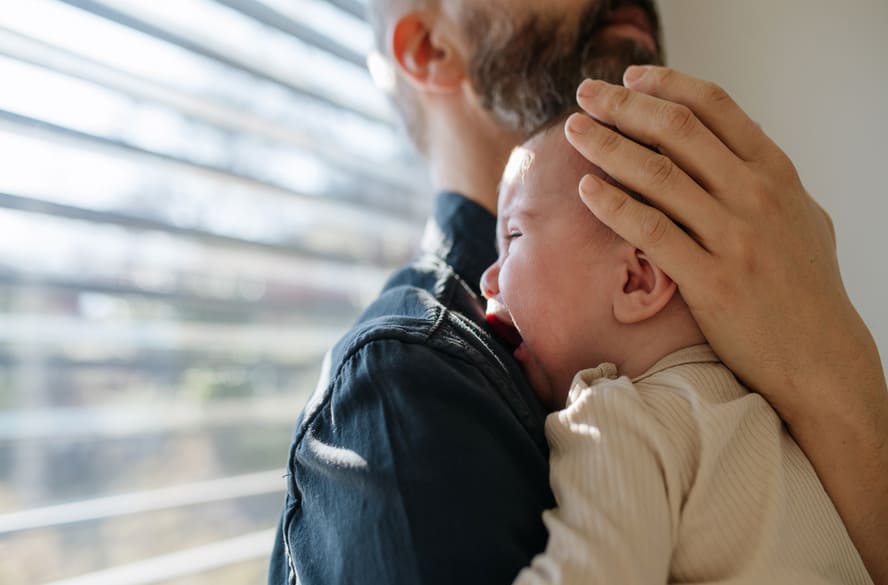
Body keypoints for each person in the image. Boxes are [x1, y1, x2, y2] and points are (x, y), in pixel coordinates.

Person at [268, 1, 888, 583]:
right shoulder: (400, 382)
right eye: (509, 236)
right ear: (431, 47)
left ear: (640, 276)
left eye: (518, 236)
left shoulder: (746, 331)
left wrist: (838, 381)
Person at [480, 121, 872, 584]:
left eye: (516, 236)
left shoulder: (618, 414)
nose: (487, 279)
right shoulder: (780, 418)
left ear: (635, 280)